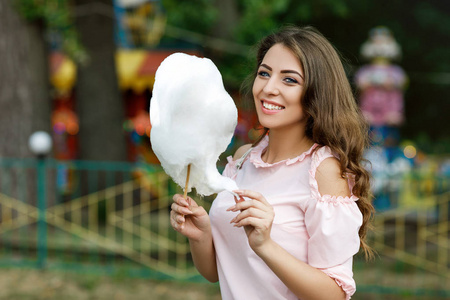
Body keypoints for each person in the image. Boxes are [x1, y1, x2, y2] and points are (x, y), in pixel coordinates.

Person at [169, 25, 374, 300]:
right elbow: (217, 273)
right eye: (264, 74)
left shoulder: (324, 170)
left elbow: (334, 294)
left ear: (317, 92)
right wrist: (201, 235)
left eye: (289, 80)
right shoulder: (242, 160)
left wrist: (265, 245)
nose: (268, 88)